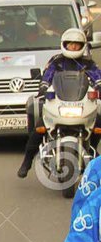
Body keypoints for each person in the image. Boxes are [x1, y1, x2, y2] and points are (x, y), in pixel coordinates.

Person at [18, 28, 101, 178]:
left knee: (98, 124)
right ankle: (26, 162)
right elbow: (47, 76)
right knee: (39, 128)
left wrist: (99, 85)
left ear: (82, 45)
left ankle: (92, 150)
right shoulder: (57, 61)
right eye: (70, 44)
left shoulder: (88, 64)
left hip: (80, 103)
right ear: (64, 44)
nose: (73, 47)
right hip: (59, 102)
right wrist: (43, 86)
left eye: (77, 44)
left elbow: (97, 76)